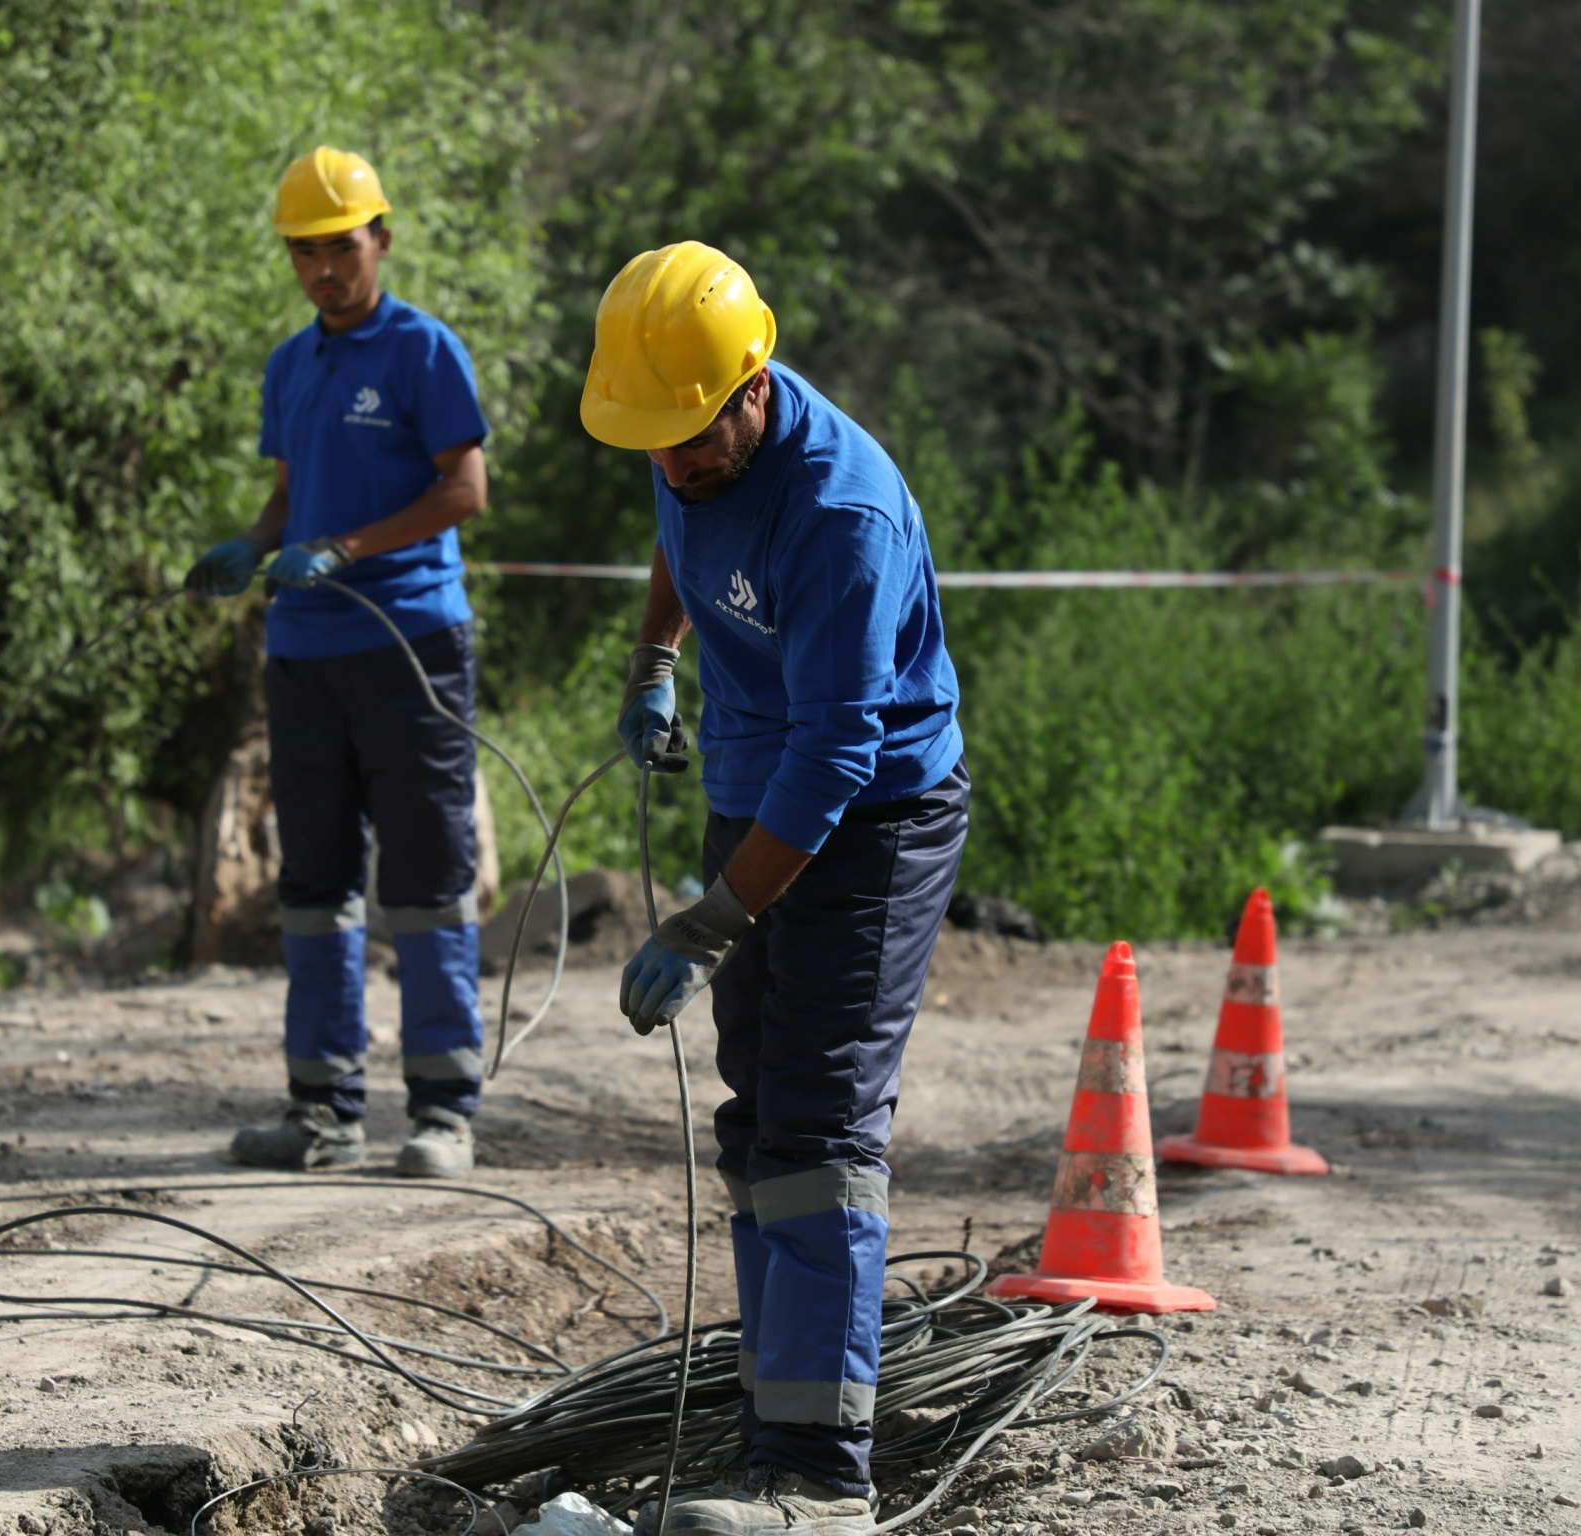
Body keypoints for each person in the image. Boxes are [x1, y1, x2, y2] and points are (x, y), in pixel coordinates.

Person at [583, 243, 968, 1535]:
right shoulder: (682, 425)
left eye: (696, 435)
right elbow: (681, 532)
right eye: (660, 443)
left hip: (870, 819)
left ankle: (819, 1485)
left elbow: (838, 757)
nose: (677, 460)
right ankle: (775, 1424)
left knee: (818, 1126)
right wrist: (655, 659)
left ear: (754, 385)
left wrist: (706, 921)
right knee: (757, 1120)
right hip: (755, 792)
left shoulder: (840, 513)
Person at [185, 147, 490, 1179]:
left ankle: (444, 1113)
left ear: (381, 241)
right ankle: (322, 1112)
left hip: (411, 645)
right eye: (304, 251)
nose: (324, 267)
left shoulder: (424, 351)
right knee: (313, 883)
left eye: (341, 246)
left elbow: (465, 489)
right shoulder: (288, 365)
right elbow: (290, 493)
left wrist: (350, 548)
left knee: (427, 880)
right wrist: (255, 545)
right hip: (304, 651)